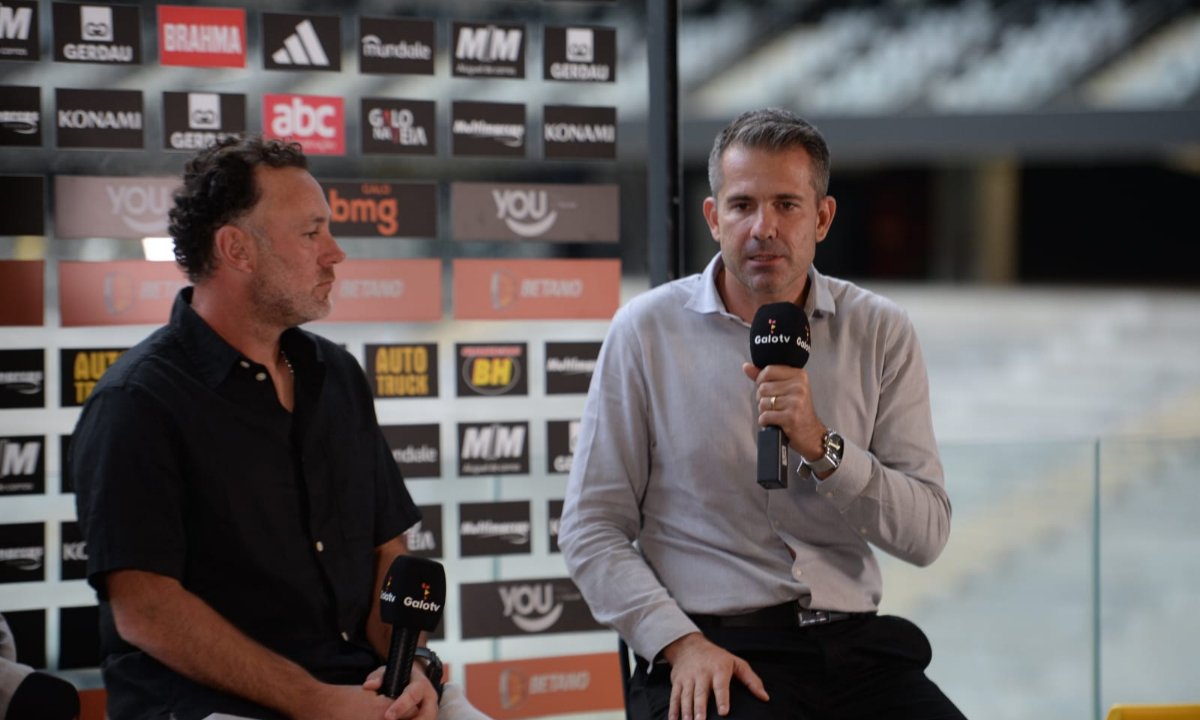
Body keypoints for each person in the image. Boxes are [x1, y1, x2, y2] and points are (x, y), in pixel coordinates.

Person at [558, 108, 965, 720]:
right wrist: (680, 644)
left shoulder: (880, 330)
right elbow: (591, 529)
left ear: (822, 218)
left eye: (787, 205)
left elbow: (926, 533)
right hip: (717, 650)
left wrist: (821, 445)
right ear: (713, 216)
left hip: (856, 651)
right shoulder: (645, 332)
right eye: (743, 205)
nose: (763, 227)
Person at [71, 135, 441, 720]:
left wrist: (411, 666)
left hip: (359, 694)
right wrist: (315, 702)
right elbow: (146, 610)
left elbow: (387, 551)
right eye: (311, 232)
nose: (335, 253)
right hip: (212, 708)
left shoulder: (336, 373)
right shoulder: (137, 401)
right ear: (237, 249)